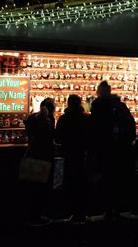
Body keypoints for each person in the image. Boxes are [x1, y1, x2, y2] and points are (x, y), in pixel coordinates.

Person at [90, 81, 136, 220]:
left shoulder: (97, 106)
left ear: (99, 91)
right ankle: (118, 208)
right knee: (118, 178)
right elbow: (131, 126)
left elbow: (94, 129)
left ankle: (106, 209)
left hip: (104, 149)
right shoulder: (120, 106)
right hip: (120, 150)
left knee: (105, 178)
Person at [55, 94, 91, 224]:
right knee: (82, 183)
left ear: (68, 103)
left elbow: (57, 137)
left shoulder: (64, 119)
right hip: (84, 155)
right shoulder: (87, 118)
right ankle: (82, 213)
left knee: (70, 182)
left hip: (69, 155)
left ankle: (70, 212)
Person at [23, 98, 56, 226]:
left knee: (32, 186)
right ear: (52, 109)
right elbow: (52, 136)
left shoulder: (32, 118)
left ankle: (30, 215)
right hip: (44, 156)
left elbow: (28, 132)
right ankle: (37, 216)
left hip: (32, 154)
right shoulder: (49, 120)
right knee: (41, 188)